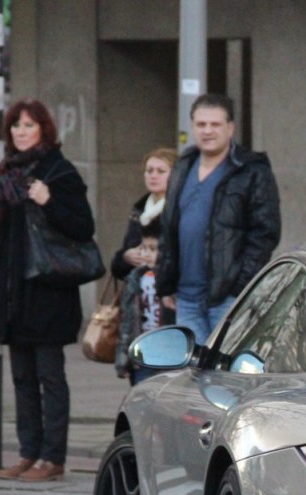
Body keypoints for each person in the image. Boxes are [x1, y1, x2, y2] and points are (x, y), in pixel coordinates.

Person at [0, 98, 96, 483]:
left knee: (50, 376)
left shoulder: (59, 172)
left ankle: (53, 457)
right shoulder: (8, 176)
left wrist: (49, 202)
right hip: (15, 290)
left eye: (29, 126)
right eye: (16, 126)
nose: (21, 132)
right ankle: (28, 452)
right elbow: (3, 241)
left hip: (49, 291)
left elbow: (83, 228)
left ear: (44, 130)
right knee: (22, 377)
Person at [156, 93, 281, 343]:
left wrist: (239, 286)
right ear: (192, 127)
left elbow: (266, 233)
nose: (208, 131)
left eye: (215, 124)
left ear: (230, 128)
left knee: (225, 377)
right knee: (195, 376)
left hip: (228, 300)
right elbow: (169, 229)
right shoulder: (183, 166)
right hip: (186, 299)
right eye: (201, 124)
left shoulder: (251, 171)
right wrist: (166, 282)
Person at [110, 147, 176, 282]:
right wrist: (126, 257)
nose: (153, 175)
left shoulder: (179, 209)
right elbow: (117, 266)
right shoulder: (140, 209)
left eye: (161, 171)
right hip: (137, 290)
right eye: (149, 171)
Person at [114, 216, 163, 385]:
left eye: (153, 249)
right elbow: (127, 323)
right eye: (144, 248)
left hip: (166, 350)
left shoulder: (171, 280)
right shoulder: (135, 278)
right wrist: (123, 360)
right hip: (142, 352)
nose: (147, 254)